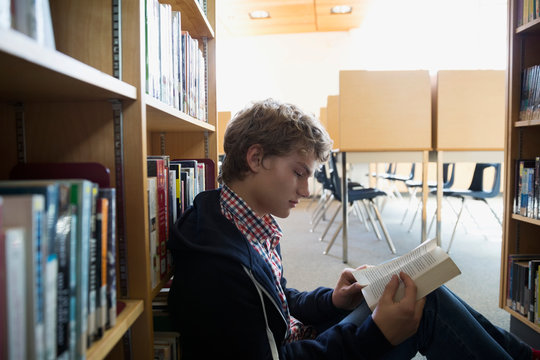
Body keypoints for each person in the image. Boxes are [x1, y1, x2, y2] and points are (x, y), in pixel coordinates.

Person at [167, 98, 538, 359]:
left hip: (303, 338)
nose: (305, 190)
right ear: (255, 158)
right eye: (298, 172)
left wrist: (331, 300)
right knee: (421, 305)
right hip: (301, 351)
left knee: (418, 291)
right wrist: (375, 335)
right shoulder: (219, 266)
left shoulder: (239, 217)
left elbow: (275, 301)